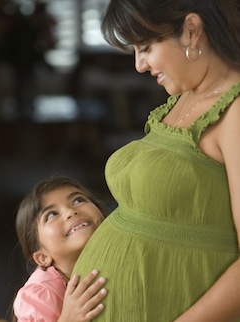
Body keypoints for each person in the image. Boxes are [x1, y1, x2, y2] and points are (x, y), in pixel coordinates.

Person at [72, 0, 240, 321]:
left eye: (146, 47)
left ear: (191, 30)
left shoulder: (235, 112)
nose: (139, 65)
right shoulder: (183, 98)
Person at [12, 175, 107, 322]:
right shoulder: (41, 294)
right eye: (51, 215)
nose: (70, 212)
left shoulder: (121, 252)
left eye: (78, 200)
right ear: (42, 257)